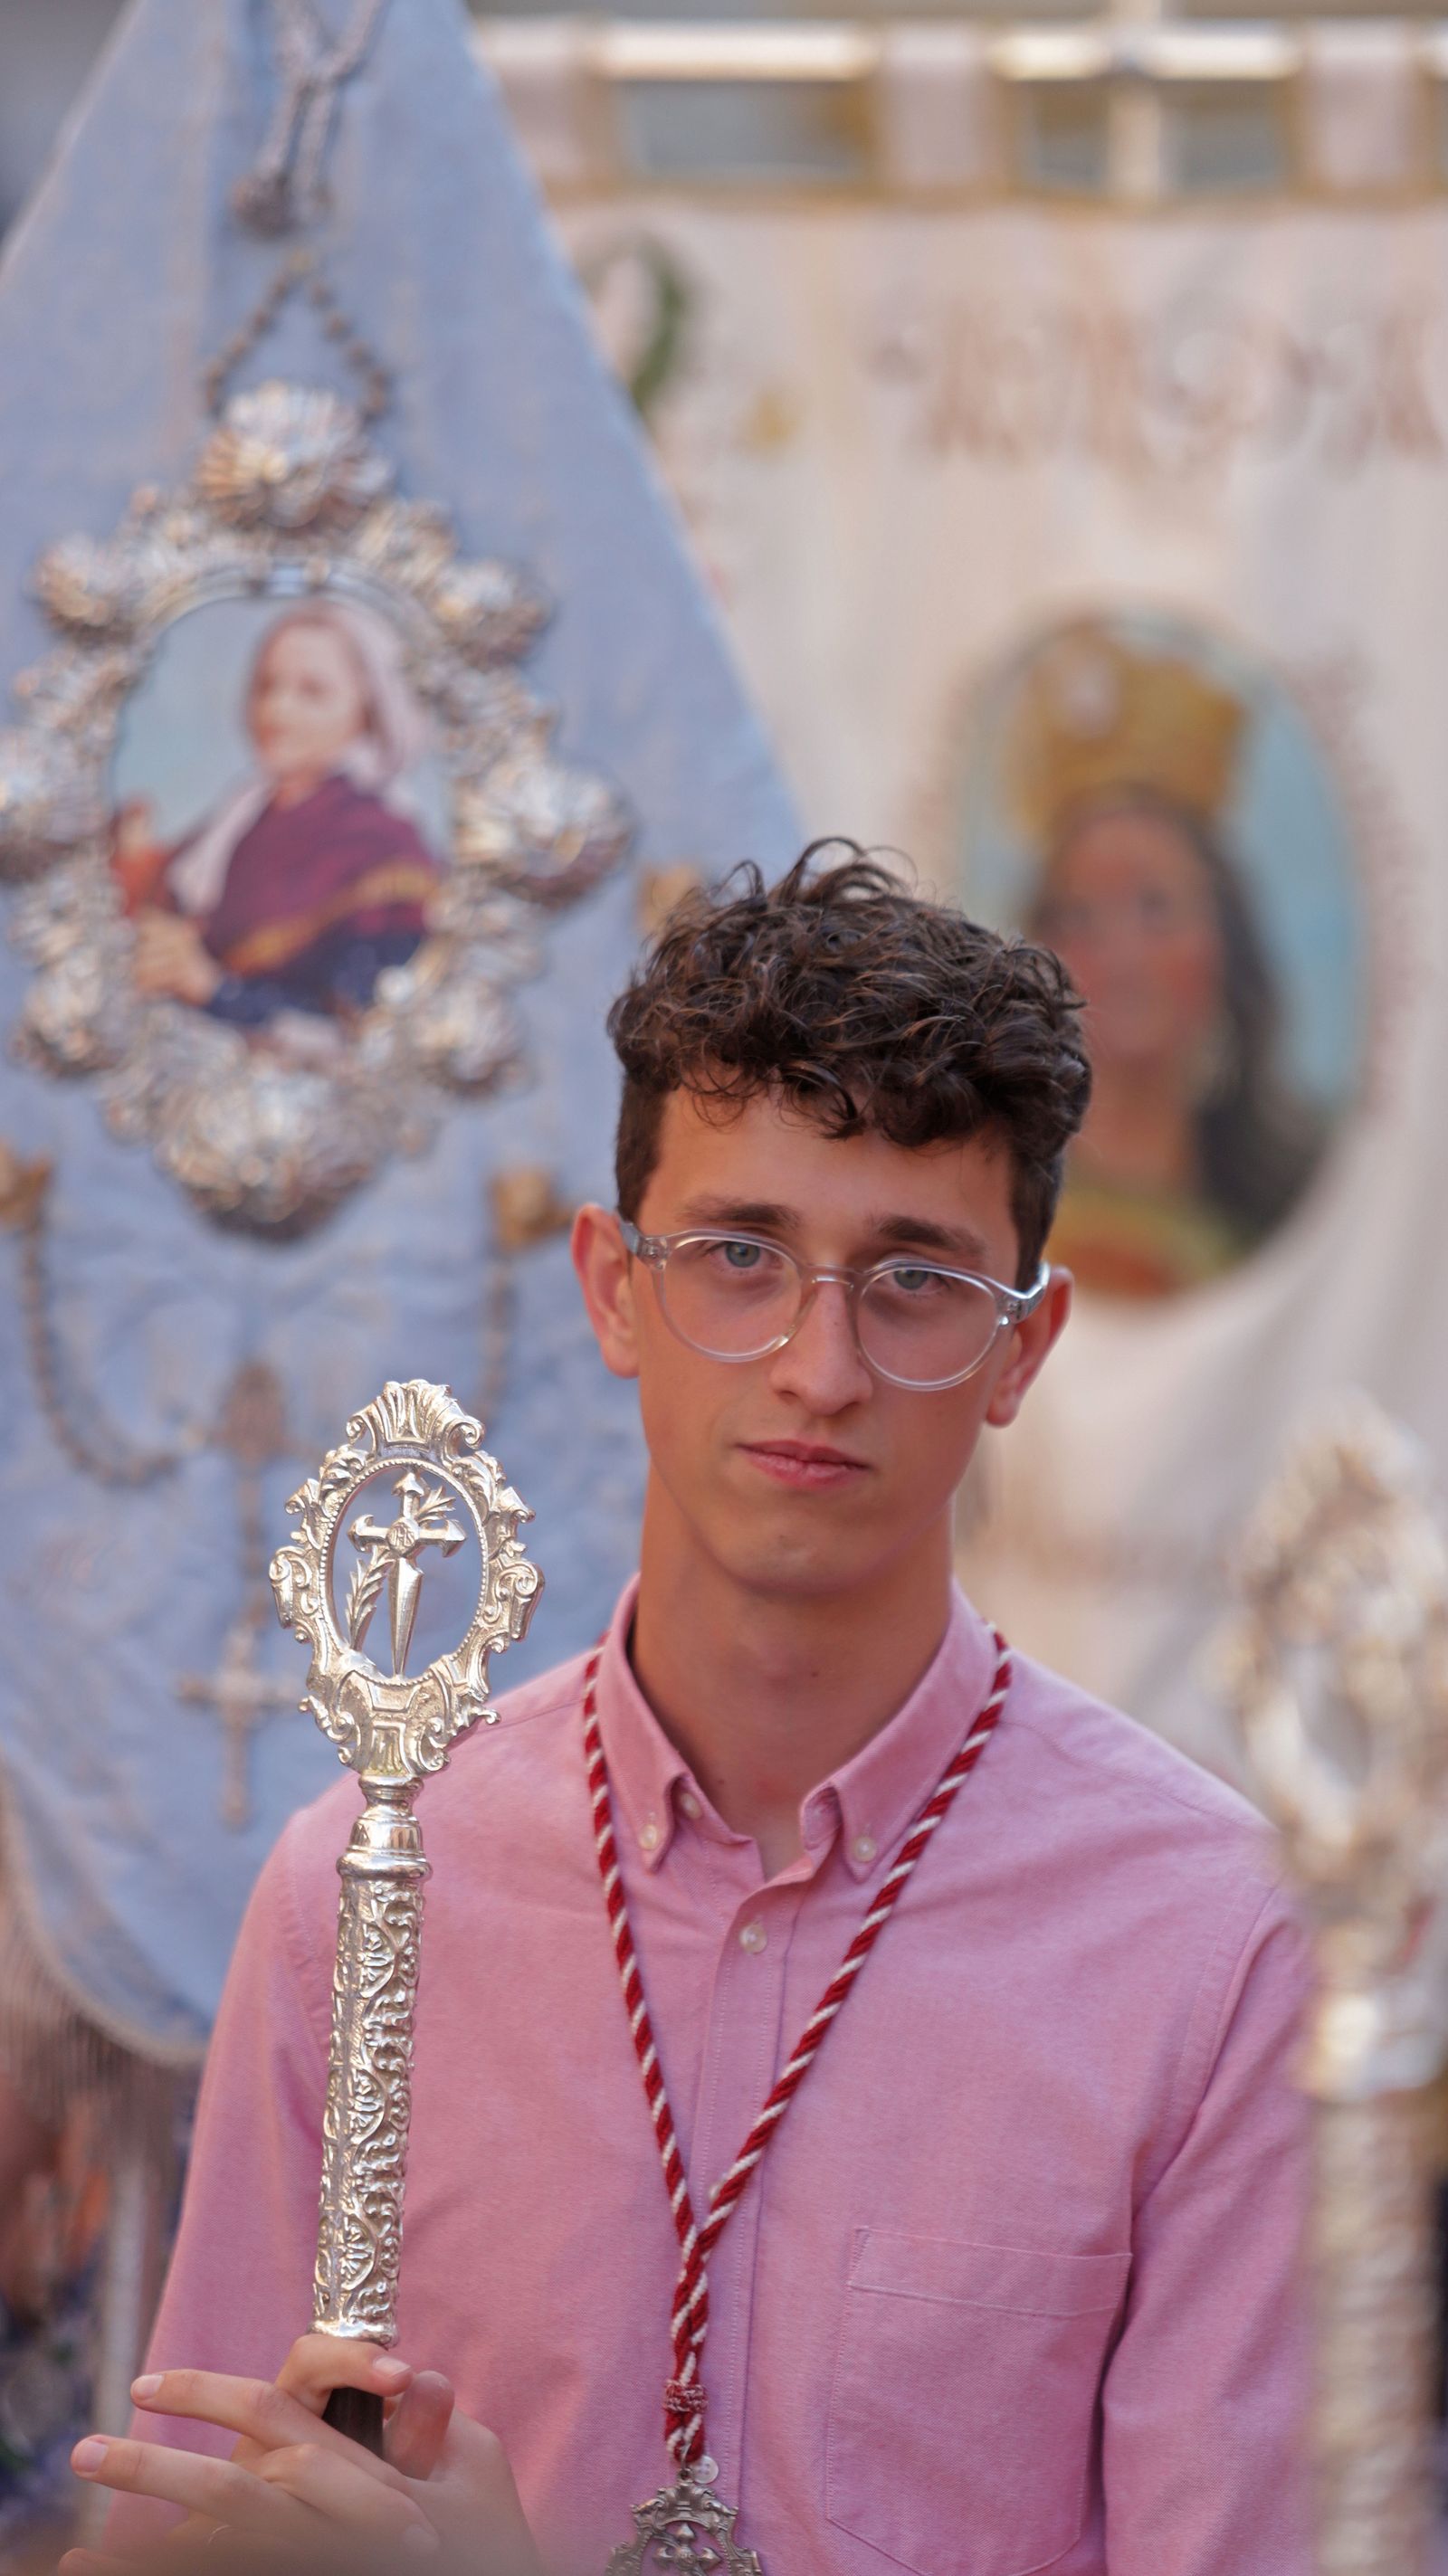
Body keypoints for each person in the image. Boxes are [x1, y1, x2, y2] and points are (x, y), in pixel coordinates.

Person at [66, 851, 1309, 2574]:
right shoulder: (362, 1889)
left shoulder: (1217, 1953)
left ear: (1026, 1348)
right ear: (610, 1286)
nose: (819, 1365)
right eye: (741, 1253)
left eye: (915, 1280)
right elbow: (179, 2538)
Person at [110, 601, 441, 1031]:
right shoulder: (240, 818)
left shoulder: (382, 846)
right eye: (267, 686)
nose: (277, 711)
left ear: (368, 710)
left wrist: (213, 990)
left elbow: (371, 1036)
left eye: (312, 692)